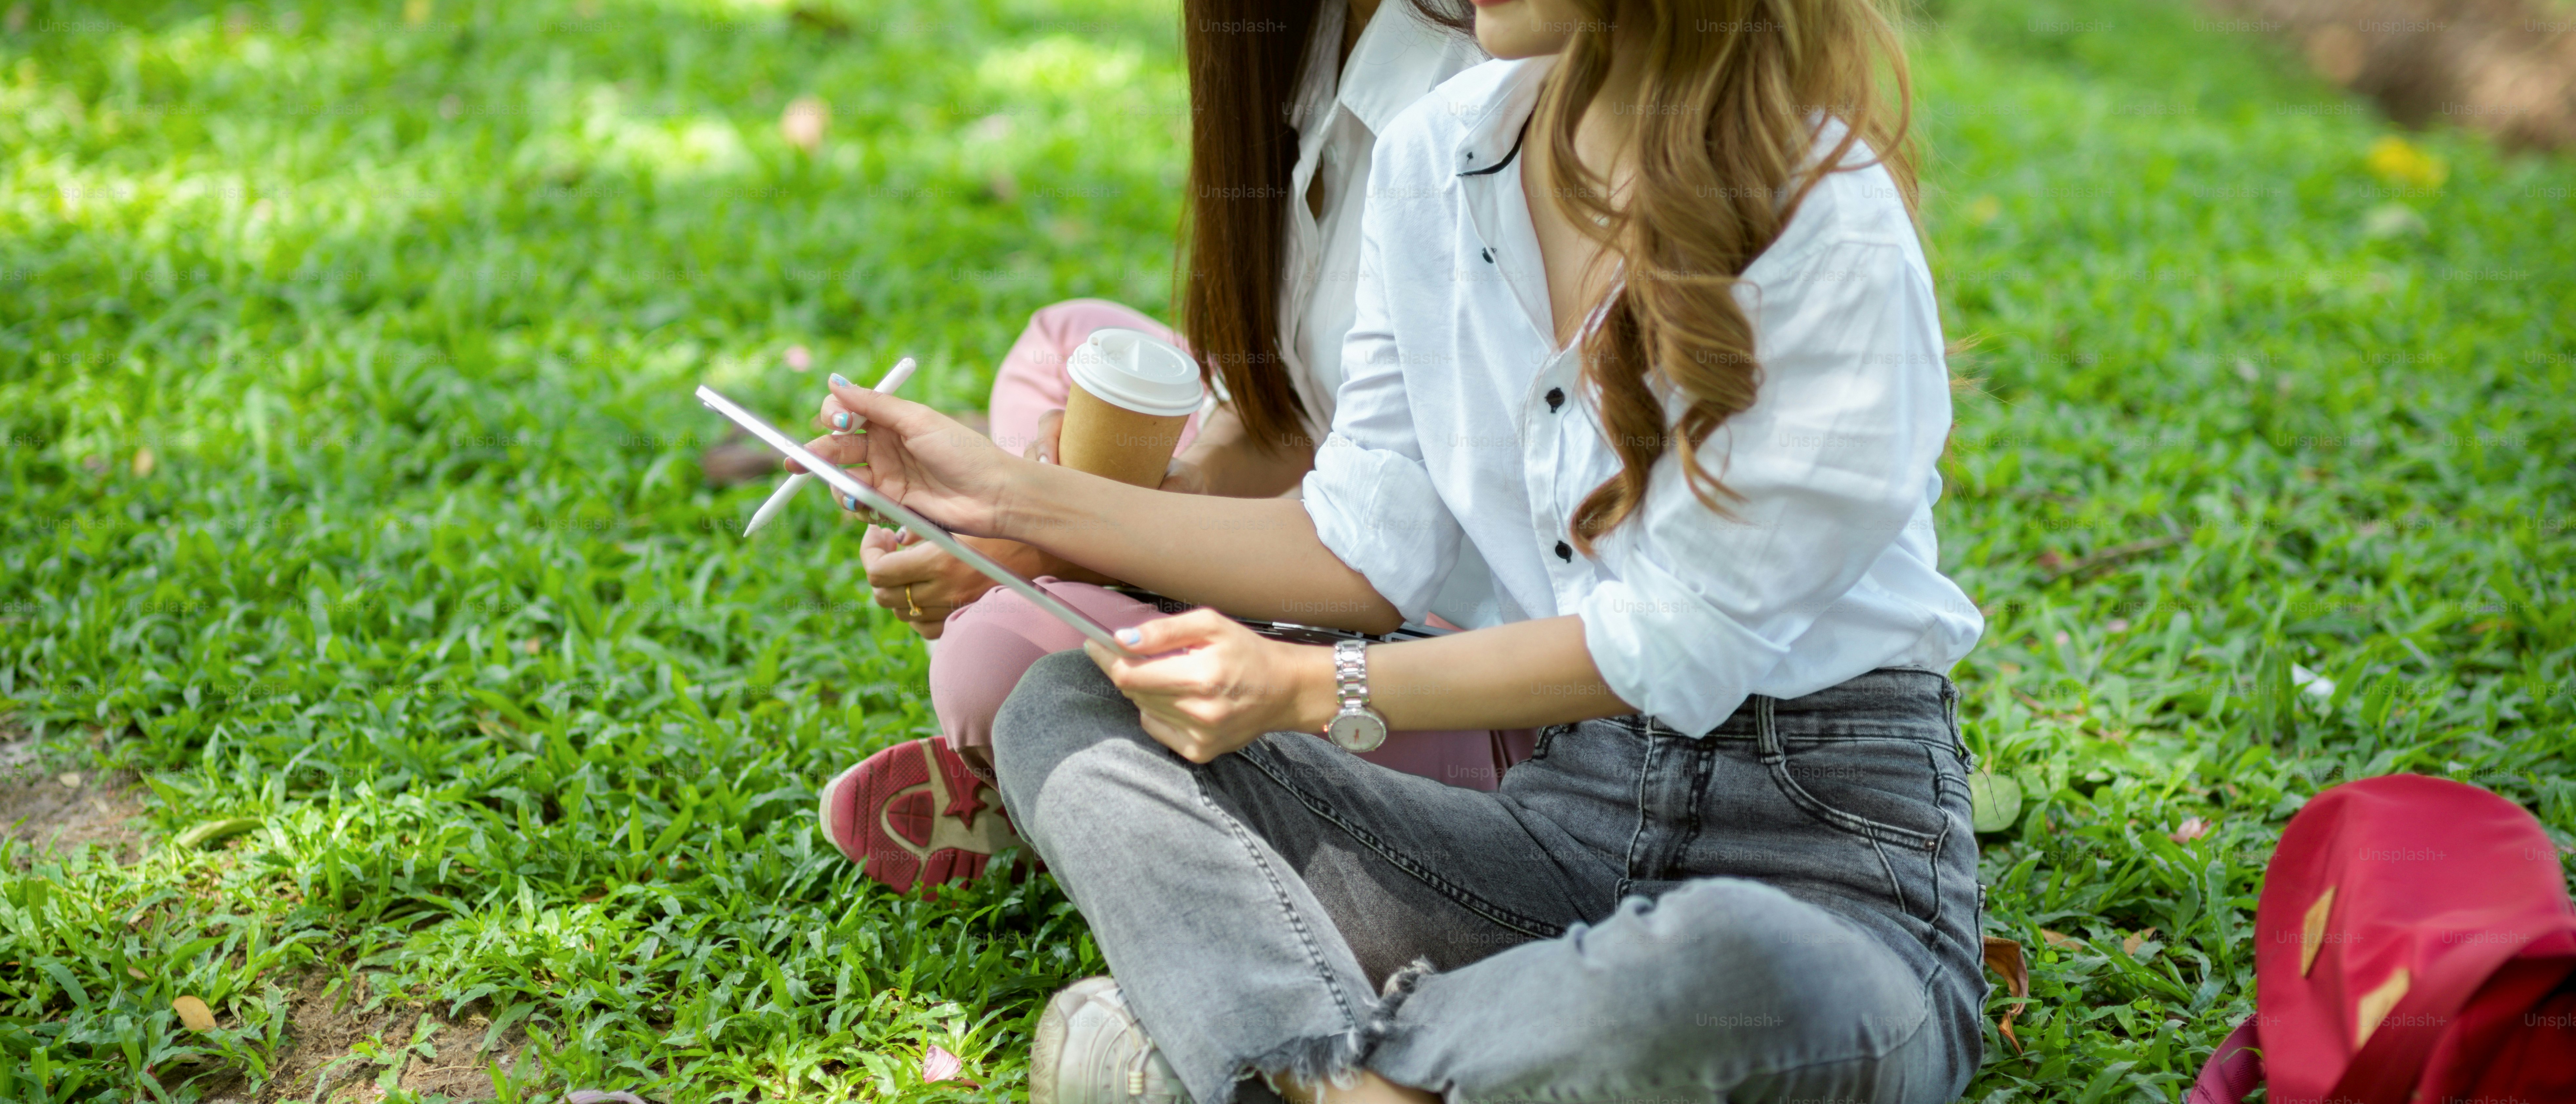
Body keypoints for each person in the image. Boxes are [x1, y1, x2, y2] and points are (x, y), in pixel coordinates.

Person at [794, 0, 1988, 1098]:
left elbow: (1689, 639)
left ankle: (1290, 1069)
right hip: (1564, 816)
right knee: (1071, 712)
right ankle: (1386, 1073)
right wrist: (1013, 496)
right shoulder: (1445, 153)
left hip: (1830, 842)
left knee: (1734, 964)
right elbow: (1359, 541)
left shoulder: (1823, 211)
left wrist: (1315, 686)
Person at [815, 0, 1515, 896]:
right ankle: (1076, 747)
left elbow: (1369, 559)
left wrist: (1029, 521)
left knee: (996, 659)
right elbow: (1293, 415)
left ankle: (1066, 782)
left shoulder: (1486, 82)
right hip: (1338, 526)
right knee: (1069, 341)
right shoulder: (1298, 35)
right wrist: (1062, 507)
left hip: (1453, 666)